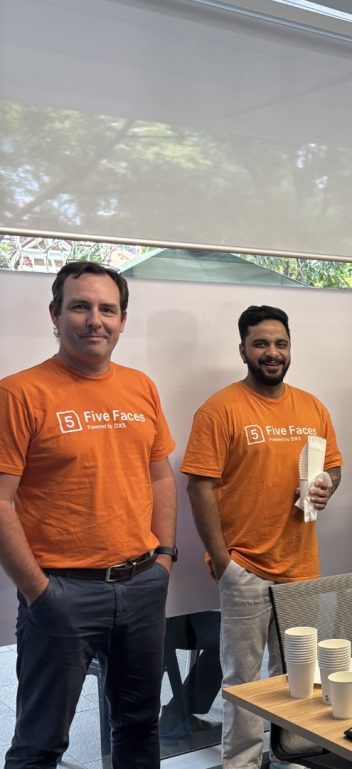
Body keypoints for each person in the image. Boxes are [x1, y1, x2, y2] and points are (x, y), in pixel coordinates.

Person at [0, 262, 176, 769]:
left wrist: (164, 558)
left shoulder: (140, 386)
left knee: (140, 727)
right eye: (80, 306)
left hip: (142, 583)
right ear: (55, 315)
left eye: (107, 309)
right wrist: (38, 591)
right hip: (62, 594)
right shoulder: (20, 393)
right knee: (39, 745)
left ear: (122, 320)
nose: (94, 320)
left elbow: (160, 476)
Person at [181, 305, 342, 769]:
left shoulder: (312, 406)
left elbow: (333, 465)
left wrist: (328, 483)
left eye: (280, 344)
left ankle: (289, 754)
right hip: (246, 568)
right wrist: (222, 561)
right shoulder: (219, 409)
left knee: (296, 673)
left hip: (301, 566)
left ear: (290, 348)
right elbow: (200, 486)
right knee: (244, 680)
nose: (272, 353)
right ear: (243, 350)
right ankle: (243, 763)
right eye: (261, 344)